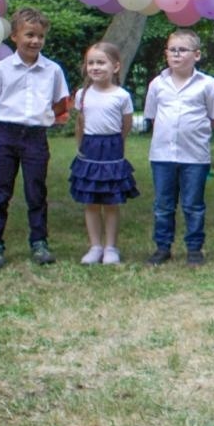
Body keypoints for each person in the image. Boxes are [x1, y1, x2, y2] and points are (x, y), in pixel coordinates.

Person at [0, 7, 69, 269]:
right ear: (15, 37)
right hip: (6, 136)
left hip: (35, 138)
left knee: (36, 191)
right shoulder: (1, 69)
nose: (35, 41)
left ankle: (39, 242)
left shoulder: (52, 70)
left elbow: (61, 105)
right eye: (29, 34)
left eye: (40, 36)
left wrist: (40, 115)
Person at [143, 29, 214, 266]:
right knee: (163, 205)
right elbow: (152, 115)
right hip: (162, 155)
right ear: (166, 53)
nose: (177, 55)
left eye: (183, 50)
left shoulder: (208, 85)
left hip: (195, 156)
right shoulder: (157, 84)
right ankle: (162, 246)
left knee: (193, 204)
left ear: (197, 55)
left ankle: (194, 248)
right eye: (172, 50)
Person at [69, 42, 138, 266]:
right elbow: (80, 122)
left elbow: (125, 125)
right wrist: (80, 146)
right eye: (91, 63)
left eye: (101, 62)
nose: (95, 67)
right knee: (90, 202)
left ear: (115, 67)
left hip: (111, 150)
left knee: (110, 202)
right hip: (89, 149)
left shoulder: (121, 95)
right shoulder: (83, 94)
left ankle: (111, 247)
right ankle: (95, 246)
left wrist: (116, 143)